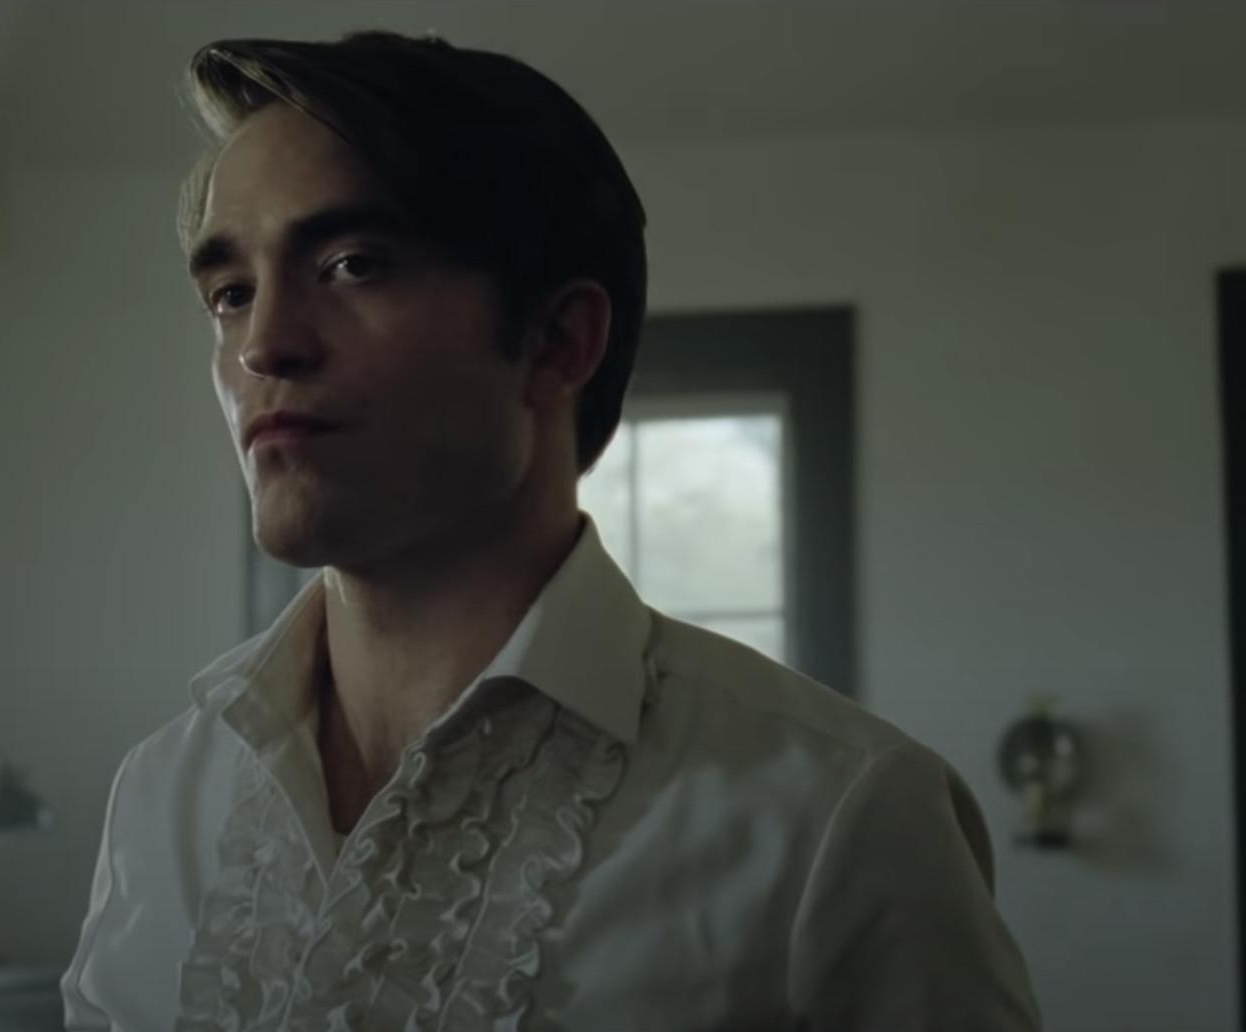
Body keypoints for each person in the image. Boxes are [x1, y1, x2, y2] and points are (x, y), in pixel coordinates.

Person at [62, 30, 1040, 1031]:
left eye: (353, 265)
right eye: (230, 294)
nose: (263, 344)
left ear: (558, 340)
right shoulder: (162, 798)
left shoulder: (841, 817)